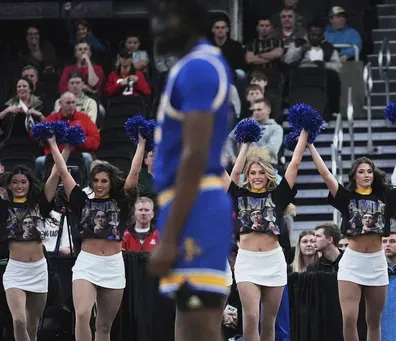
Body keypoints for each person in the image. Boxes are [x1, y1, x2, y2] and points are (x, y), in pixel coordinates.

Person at [146, 1, 234, 341]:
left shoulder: (199, 67)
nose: (157, 26)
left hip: (196, 203)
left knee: (200, 327)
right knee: (185, 320)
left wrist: (168, 238)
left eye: (165, 16)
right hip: (186, 203)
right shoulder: (192, 65)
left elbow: (195, 154)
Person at [308, 140, 396, 341]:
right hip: (352, 263)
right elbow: (325, 174)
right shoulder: (346, 196)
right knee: (349, 317)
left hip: (376, 263)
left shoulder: (386, 195)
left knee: (373, 320)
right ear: (354, 175)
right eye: (361, 171)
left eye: (369, 171)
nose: (366, 175)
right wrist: (311, 145)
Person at [48, 132, 145, 341]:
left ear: (111, 183)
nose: (99, 185)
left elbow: (134, 172)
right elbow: (63, 172)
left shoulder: (120, 203)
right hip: (87, 263)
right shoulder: (81, 201)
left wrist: (142, 143)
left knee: (103, 326)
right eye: (95, 181)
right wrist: (53, 143)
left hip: (113, 265)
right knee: (82, 315)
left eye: (104, 181)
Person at [225, 130, 308, 341]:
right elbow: (234, 175)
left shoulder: (278, 195)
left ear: (268, 175)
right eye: (252, 173)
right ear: (248, 175)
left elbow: (294, 165)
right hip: (247, 262)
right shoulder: (239, 194)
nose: (257, 177)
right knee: (251, 317)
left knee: (269, 321)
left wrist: (305, 135)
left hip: (273, 261)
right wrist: (245, 144)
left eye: (261, 173)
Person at [1, 145, 63, 341]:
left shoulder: (39, 204)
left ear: (29, 183)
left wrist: (63, 147)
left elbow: (55, 174)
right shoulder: (4, 208)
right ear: (8, 186)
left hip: (38, 270)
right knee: (18, 321)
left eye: (23, 181)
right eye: (15, 182)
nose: (19, 185)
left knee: (32, 327)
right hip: (15, 271)